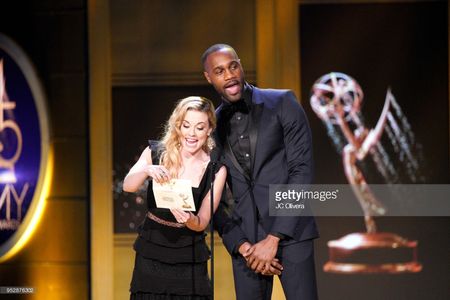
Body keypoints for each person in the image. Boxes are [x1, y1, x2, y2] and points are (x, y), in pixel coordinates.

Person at [202, 44, 319, 299]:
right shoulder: (210, 128)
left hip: (292, 232)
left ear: (241, 65)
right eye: (219, 71)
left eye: (233, 66)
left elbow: (301, 171)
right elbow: (214, 197)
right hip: (247, 245)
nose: (229, 75)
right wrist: (242, 245)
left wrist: (274, 237)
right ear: (209, 77)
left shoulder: (282, 102)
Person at [123, 96, 227, 300]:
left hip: (189, 252)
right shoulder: (156, 152)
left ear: (209, 130)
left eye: (200, 127)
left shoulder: (216, 169)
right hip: (152, 246)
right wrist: (147, 169)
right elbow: (128, 185)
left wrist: (190, 220)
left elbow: (203, 221)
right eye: (186, 125)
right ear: (178, 126)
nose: (192, 133)